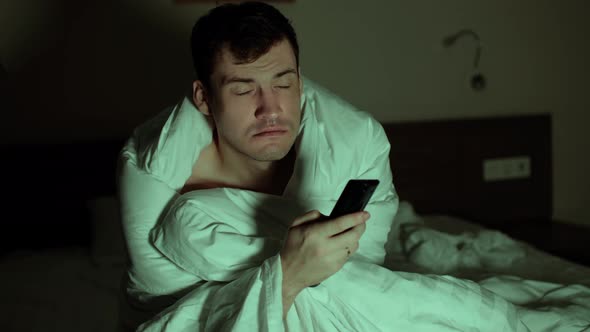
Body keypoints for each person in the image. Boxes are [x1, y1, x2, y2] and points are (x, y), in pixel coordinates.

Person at [118, 2, 531, 331]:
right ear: (204, 98)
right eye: (244, 89)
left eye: (284, 83)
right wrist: (289, 274)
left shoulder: (357, 144)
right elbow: (172, 312)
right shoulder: (153, 170)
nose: (271, 109)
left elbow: (361, 284)